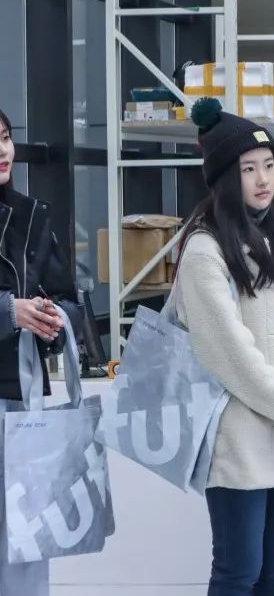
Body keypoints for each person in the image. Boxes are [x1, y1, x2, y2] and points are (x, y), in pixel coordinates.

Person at [172, 98, 274, 596]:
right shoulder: (204, 249)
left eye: (269, 165)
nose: (264, 179)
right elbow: (228, 353)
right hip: (239, 435)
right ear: (226, 176)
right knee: (238, 570)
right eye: (249, 169)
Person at [0, 107, 79, 596]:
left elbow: (68, 297)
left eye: (5, 137)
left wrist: (53, 319)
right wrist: (10, 311)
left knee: (26, 543)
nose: (2, 150)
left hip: (23, 401)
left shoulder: (32, 215)